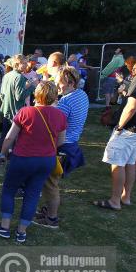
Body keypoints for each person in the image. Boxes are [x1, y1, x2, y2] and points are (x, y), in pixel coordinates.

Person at [0, 82, 67, 243]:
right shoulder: (60, 115)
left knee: (9, 190)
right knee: (33, 194)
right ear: (55, 96)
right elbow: (61, 141)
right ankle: (22, 231)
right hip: (46, 160)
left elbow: (10, 137)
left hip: (23, 158)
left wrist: (2, 153)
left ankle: (5, 227)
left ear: (36, 94)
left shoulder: (25, 112)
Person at [34, 67, 89, 228]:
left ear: (71, 83)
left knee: (51, 185)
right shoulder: (82, 95)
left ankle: (51, 218)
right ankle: (49, 209)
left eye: (60, 84)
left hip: (61, 146)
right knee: (53, 181)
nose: (57, 88)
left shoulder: (65, 101)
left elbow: (54, 126)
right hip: (72, 144)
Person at [94, 51, 136, 210]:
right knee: (130, 163)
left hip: (129, 128)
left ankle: (115, 201)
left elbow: (131, 106)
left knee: (117, 162)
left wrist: (119, 126)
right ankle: (126, 197)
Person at [0, 54, 36, 155]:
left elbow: (2, 94)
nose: (26, 65)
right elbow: (19, 96)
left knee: (5, 134)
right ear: (17, 64)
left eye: (25, 63)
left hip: (6, 110)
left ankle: (1, 154)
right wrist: (31, 87)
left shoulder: (7, 75)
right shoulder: (19, 77)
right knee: (15, 136)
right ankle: (11, 155)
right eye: (23, 63)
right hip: (16, 112)